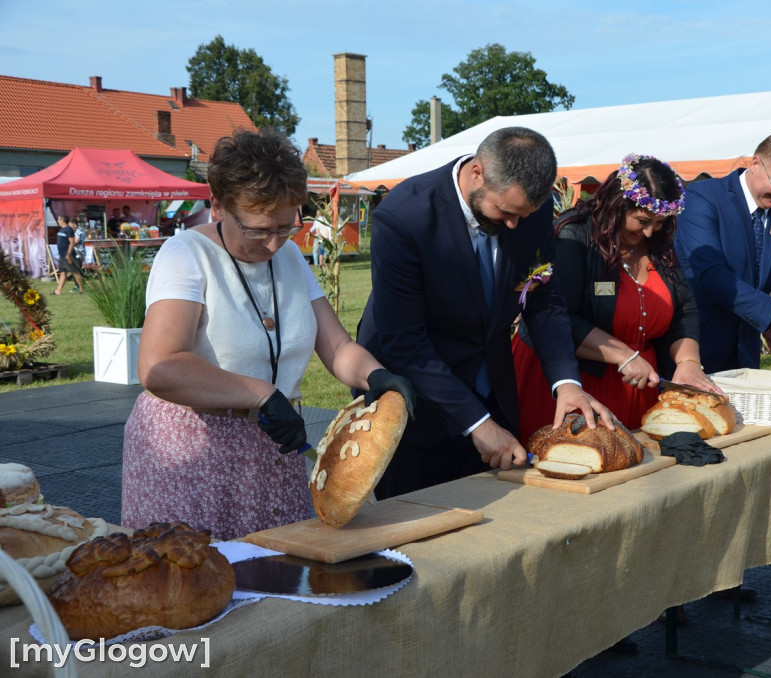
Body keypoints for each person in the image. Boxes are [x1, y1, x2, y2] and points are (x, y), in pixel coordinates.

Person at [121, 127, 414, 541]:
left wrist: (376, 376)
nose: (275, 244)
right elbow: (159, 366)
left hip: (272, 449)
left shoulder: (290, 255)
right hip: (193, 453)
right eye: (259, 230)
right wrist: (259, 393)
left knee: (281, 586)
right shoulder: (186, 255)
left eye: (286, 226)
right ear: (218, 207)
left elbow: (338, 346)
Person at [356, 126, 614, 500]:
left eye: (523, 216)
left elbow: (542, 300)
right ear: (477, 172)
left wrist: (566, 381)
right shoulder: (404, 216)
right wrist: (476, 421)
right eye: (505, 212)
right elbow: (404, 340)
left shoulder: (530, 214)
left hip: (491, 387)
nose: (513, 225)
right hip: (417, 403)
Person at [512, 154, 718, 438]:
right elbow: (554, 317)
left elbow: (686, 308)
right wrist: (623, 355)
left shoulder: (658, 244)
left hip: (637, 387)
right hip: (572, 384)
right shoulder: (574, 236)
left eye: (659, 223)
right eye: (643, 220)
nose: (649, 232)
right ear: (618, 204)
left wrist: (688, 363)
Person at [674, 129, 771, 374]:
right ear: (755, 163)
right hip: (694, 351)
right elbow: (710, 274)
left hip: (745, 359)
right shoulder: (703, 199)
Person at [53, 215, 84, 294]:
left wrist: (69, 254)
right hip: (62, 255)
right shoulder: (62, 230)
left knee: (74, 271)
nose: (58, 221)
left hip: (68, 255)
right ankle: (58, 291)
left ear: (62, 220)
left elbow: (72, 242)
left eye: (59, 220)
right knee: (63, 272)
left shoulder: (68, 229)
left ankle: (82, 289)